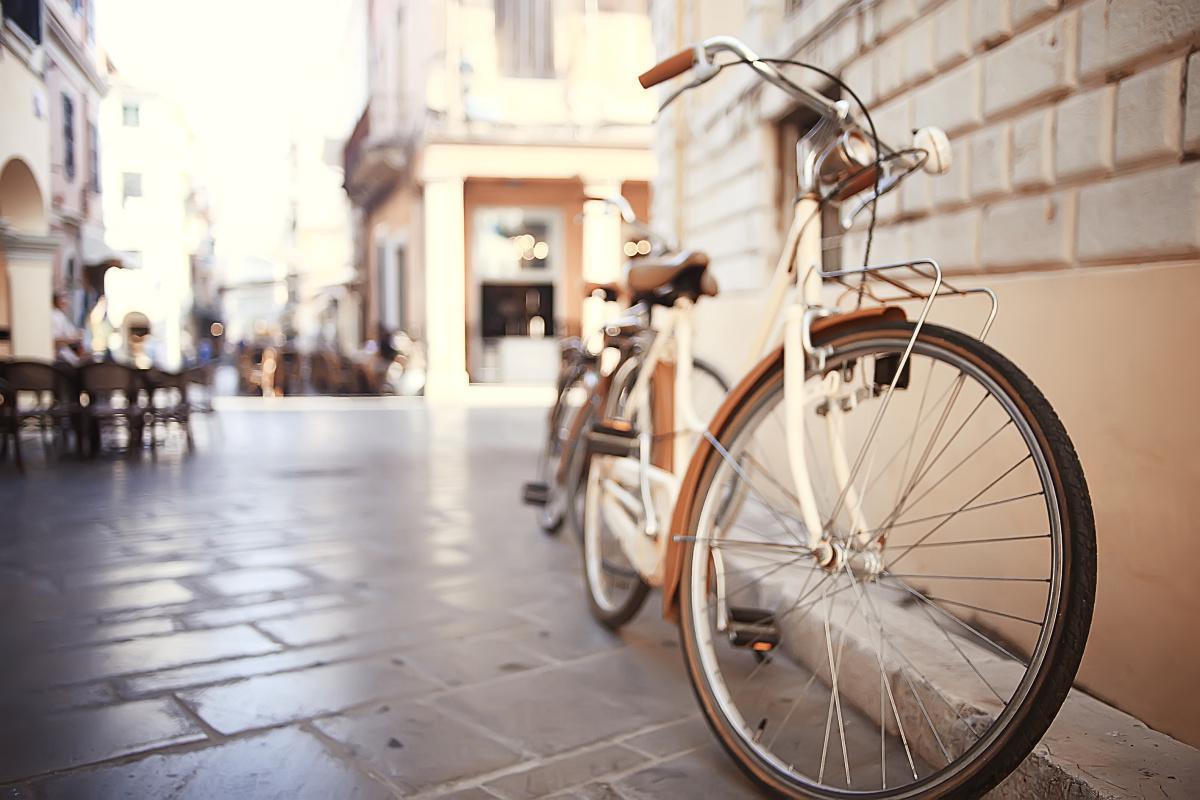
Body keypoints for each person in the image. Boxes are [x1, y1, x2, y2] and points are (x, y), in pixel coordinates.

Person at [51, 292, 84, 364]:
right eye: (62, 299)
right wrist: (73, 339)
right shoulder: (55, 315)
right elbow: (55, 340)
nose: (66, 302)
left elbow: (73, 333)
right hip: (59, 357)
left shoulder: (60, 315)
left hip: (66, 353)